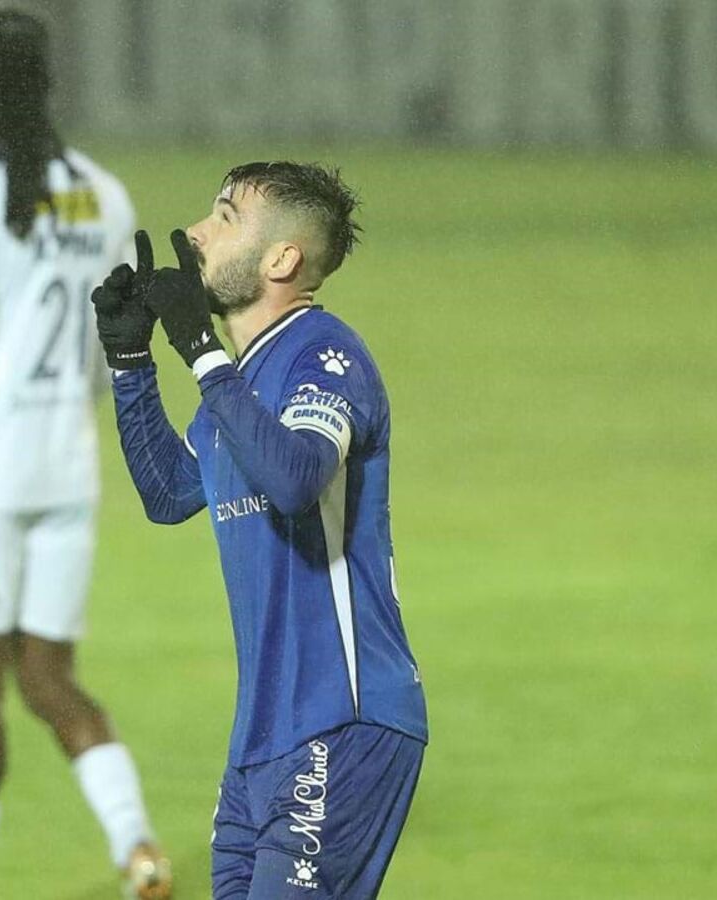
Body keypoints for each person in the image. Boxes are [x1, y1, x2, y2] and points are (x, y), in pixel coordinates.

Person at [91, 162, 429, 898]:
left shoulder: (326, 355)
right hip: (264, 736)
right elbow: (170, 491)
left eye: (225, 216)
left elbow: (296, 477)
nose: (194, 234)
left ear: (282, 260)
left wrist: (199, 349)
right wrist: (129, 362)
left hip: (344, 715)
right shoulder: (238, 385)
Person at [0, 8, 171, 899]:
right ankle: (137, 847)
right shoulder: (107, 195)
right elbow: (112, 339)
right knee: (53, 681)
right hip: (69, 466)